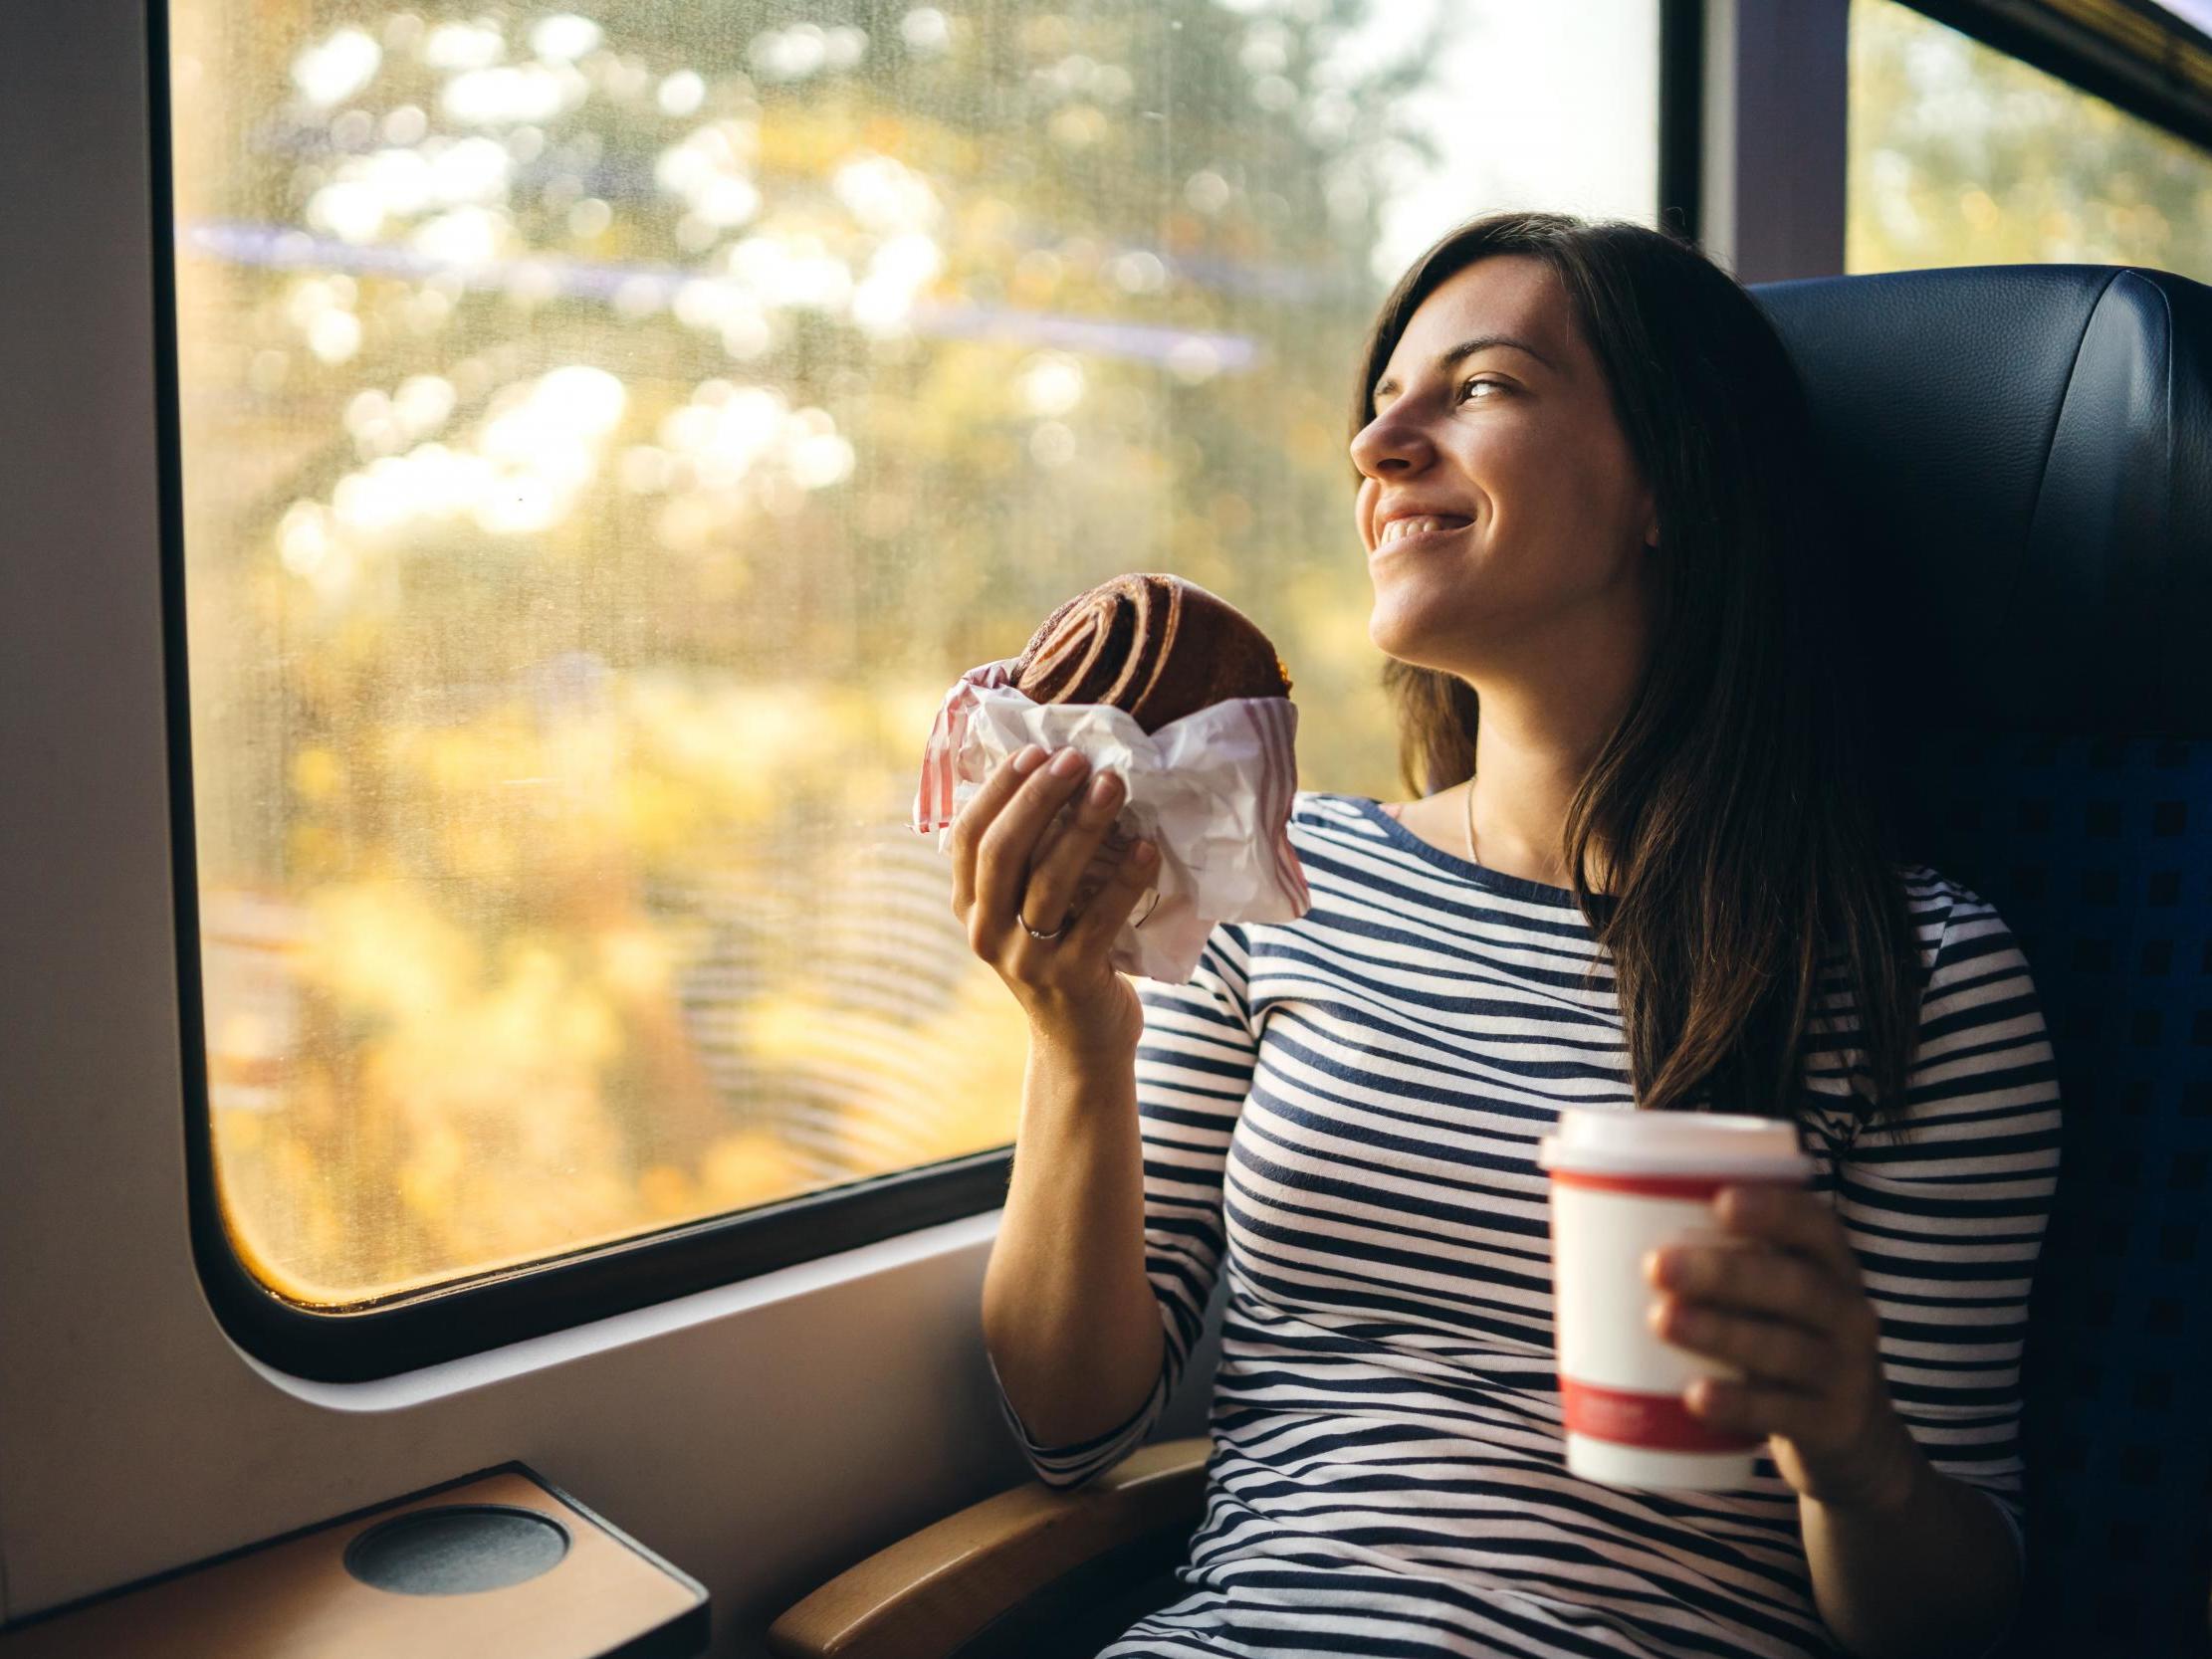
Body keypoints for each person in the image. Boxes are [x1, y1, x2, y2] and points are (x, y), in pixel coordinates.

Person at [956, 211, 2062, 1659]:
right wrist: (1078, 1042)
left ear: (1672, 480)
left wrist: (1853, 1455)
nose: (1378, 446)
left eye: (1478, 388)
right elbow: (1070, 1427)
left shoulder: (1921, 974)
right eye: (1380, 404)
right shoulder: (1286, 892)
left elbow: (1941, 1621)